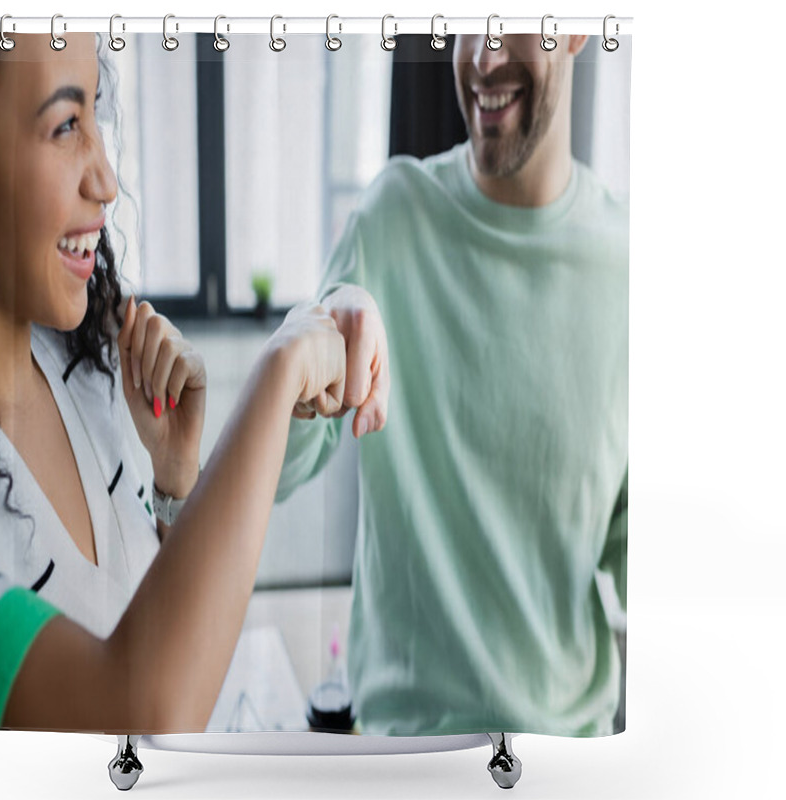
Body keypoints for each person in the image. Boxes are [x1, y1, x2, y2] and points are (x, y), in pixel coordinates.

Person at [0, 32, 347, 732]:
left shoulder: (83, 368)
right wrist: (279, 374)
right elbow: (143, 702)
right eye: (65, 125)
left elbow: (146, 612)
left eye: (97, 114)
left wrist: (176, 480)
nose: (105, 181)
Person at [276, 32, 629, 737]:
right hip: (404, 755)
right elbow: (278, 469)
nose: (483, 54)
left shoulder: (632, 272)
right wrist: (301, 349)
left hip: (571, 754)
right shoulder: (391, 220)